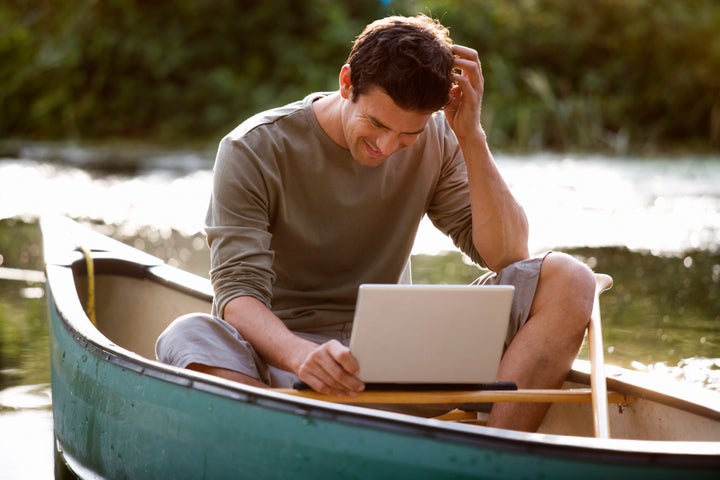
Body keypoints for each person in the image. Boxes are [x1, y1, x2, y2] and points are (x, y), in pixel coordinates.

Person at [156, 14, 596, 432]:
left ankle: (496, 456)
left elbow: (507, 255)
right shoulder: (252, 149)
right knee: (187, 335)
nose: (386, 147)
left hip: (394, 361)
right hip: (282, 366)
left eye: (408, 136)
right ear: (347, 82)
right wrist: (301, 355)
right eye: (376, 124)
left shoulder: (440, 139)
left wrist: (471, 137)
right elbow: (237, 294)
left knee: (570, 279)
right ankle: (288, 436)